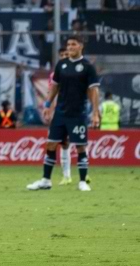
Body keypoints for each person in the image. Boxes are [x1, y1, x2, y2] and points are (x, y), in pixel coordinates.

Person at [27, 37, 101, 192]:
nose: (70, 47)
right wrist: (48, 105)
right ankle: (46, 180)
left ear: (81, 46)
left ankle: (82, 182)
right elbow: (54, 86)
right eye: (68, 45)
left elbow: (93, 90)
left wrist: (95, 113)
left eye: (74, 44)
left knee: (80, 147)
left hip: (77, 113)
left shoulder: (87, 67)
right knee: (51, 144)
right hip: (60, 113)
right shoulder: (61, 65)